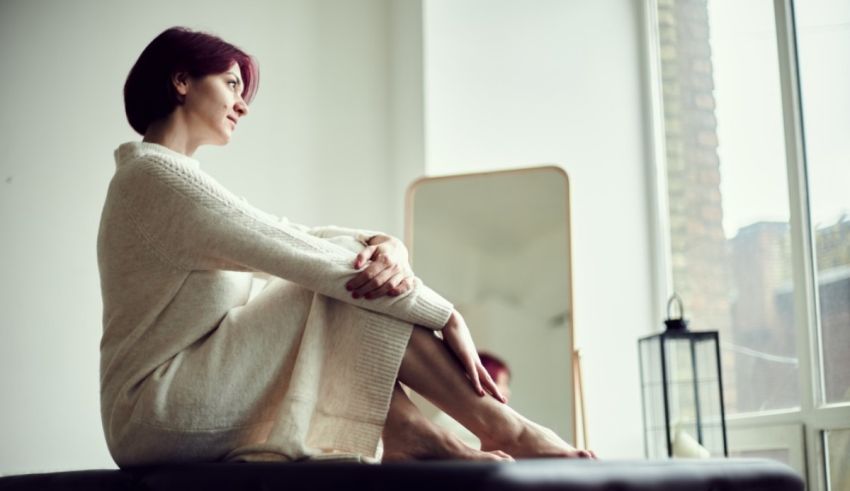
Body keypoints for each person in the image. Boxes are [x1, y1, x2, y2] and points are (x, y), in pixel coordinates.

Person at [98, 26, 595, 466]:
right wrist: (444, 313)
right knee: (336, 281)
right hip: (155, 411)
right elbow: (299, 254)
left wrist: (385, 243)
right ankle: (503, 426)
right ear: (181, 81)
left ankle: (410, 432)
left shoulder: (166, 177)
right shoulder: (155, 177)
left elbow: (295, 235)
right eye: (231, 84)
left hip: (174, 401)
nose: (243, 103)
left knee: (342, 273)